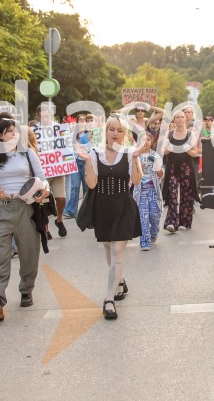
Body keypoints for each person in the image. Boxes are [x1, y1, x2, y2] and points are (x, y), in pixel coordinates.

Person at [0, 118, 49, 320]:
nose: (13, 134)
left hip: (25, 207)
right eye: (9, 131)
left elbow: (42, 177)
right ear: (0, 135)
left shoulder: (28, 153)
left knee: (29, 253)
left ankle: (26, 289)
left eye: (16, 131)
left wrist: (43, 190)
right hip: (1, 209)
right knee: (1, 256)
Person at [75, 115, 142, 319]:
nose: (115, 133)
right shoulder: (95, 153)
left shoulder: (129, 152)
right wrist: (87, 162)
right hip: (102, 206)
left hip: (123, 205)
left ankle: (109, 299)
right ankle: (119, 281)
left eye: (120, 130)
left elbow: (136, 180)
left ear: (125, 134)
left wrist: (136, 158)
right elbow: (92, 185)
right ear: (105, 131)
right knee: (107, 246)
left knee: (117, 249)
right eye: (112, 129)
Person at [160, 110, 200, 232]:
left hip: (186, 167)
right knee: (172, 193)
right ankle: (171, 222)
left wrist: (188, 150)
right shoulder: (169, 134)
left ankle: (185, 222)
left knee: (186, 194)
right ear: (174, 120)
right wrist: (168, 149)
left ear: (185, 119)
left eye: (182, 117)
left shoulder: (190, 134)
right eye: (177, 117)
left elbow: (195, 153)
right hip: (172, 167)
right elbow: (162, 151)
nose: (180, 119)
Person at [33, 103, 68, 238]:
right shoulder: (33, 131)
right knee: (44, 200)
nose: (46, 119)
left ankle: (59, 219)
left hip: (57, 170)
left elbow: (66, 146)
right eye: (43, 117)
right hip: (42, 172)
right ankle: (46, 228)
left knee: (61, 198)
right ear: (37, 116)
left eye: (47, 116)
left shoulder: (59, 128)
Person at [133, 133, 163, 250]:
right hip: (141, 192)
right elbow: (131, 175)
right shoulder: (135, 156)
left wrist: (158, 169)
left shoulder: (155, 156)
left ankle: (154, 231)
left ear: (151, 141)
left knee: (154, 214)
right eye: (143, 140)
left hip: (153, 190)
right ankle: (145, 242)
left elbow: (160, 174)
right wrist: (138, 167)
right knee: (143, 217)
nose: (145, 142)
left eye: (148, 140)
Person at [64, 113, 93, 219]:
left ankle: (86, 212)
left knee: (86, 188)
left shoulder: (90, 134)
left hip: (86, 163)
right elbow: (68, 146)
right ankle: (71, 211)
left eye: (84, 120)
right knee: (74, 186)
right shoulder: (73, 134)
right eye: (80, 120)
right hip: (76, 161)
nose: (82, 121)